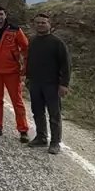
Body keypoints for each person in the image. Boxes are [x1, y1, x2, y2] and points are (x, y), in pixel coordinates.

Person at [0, 6, 30, 141]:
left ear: (5, 15)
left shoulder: (15, 29)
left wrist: (24, 69)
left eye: (1, 14)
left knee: (17, 101)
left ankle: (23, 130)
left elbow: (26, 47)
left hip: (12, 71)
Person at [26, 13, 71, 154]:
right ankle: (41, 137)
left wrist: (64, 84)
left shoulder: (57, 43)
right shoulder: (32, 41)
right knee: (37, 112)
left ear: (49, 24)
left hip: (52, 84)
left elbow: (66, 65)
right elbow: (30, 61)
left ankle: (55, 142)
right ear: (34, 24)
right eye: (38, 22)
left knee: (54, 114)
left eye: (43, 22)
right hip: (35, 83)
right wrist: (27, 78)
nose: (40, 25)